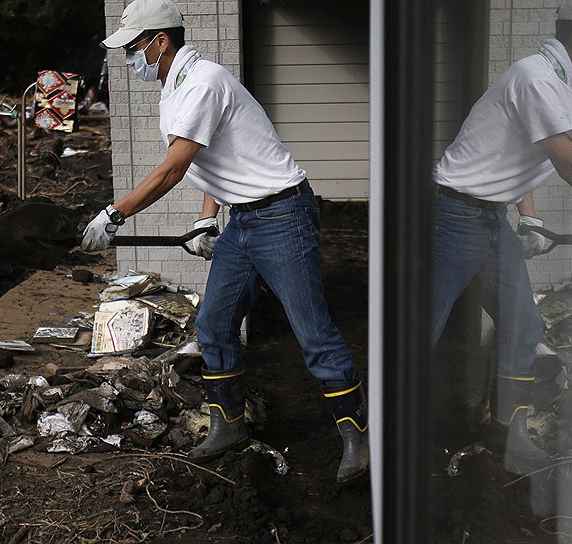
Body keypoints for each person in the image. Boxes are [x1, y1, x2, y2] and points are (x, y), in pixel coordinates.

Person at [79, 0, 368, 482]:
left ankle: (360, 436)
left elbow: (174, 168)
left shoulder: (204, 82)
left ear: (160, 42)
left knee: (312, 331)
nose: (130, 59)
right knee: (213, 324)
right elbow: (210, 159)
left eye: (133, 49)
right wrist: (207, 220)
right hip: (245, 221)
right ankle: (229, 424)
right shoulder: (175, 88)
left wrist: (116, 213)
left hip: (283, 214)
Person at [432, 0, 572, 475]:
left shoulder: (564, 80)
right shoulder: (539, 78)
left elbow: (525, 155)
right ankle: (380, 428)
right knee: (422, 324)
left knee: (523, 323)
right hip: (454, 213)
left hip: (489, 218)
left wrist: (528, 218)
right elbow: (568, 164)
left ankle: (509, 436)